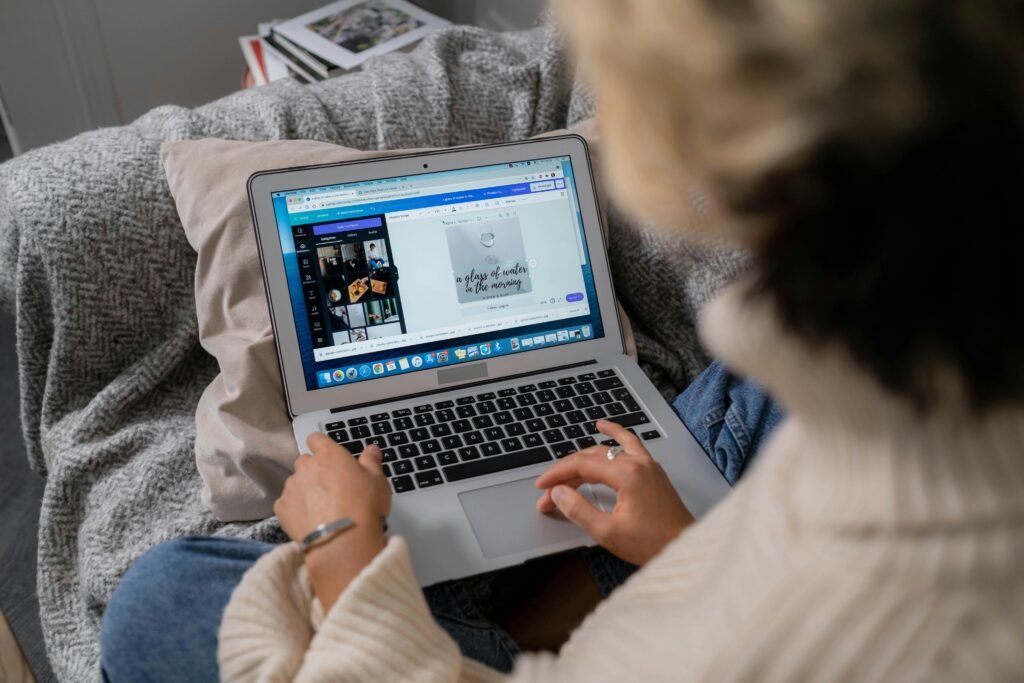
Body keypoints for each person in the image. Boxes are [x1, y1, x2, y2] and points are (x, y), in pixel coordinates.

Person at [102, 0, 1024, 680]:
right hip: (697, 545)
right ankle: (534, 580)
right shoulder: (906, 365)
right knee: (720, 409)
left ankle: (478, 618)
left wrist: (345, 542)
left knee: (160, 599)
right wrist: (684, 545)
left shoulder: (837, 632)